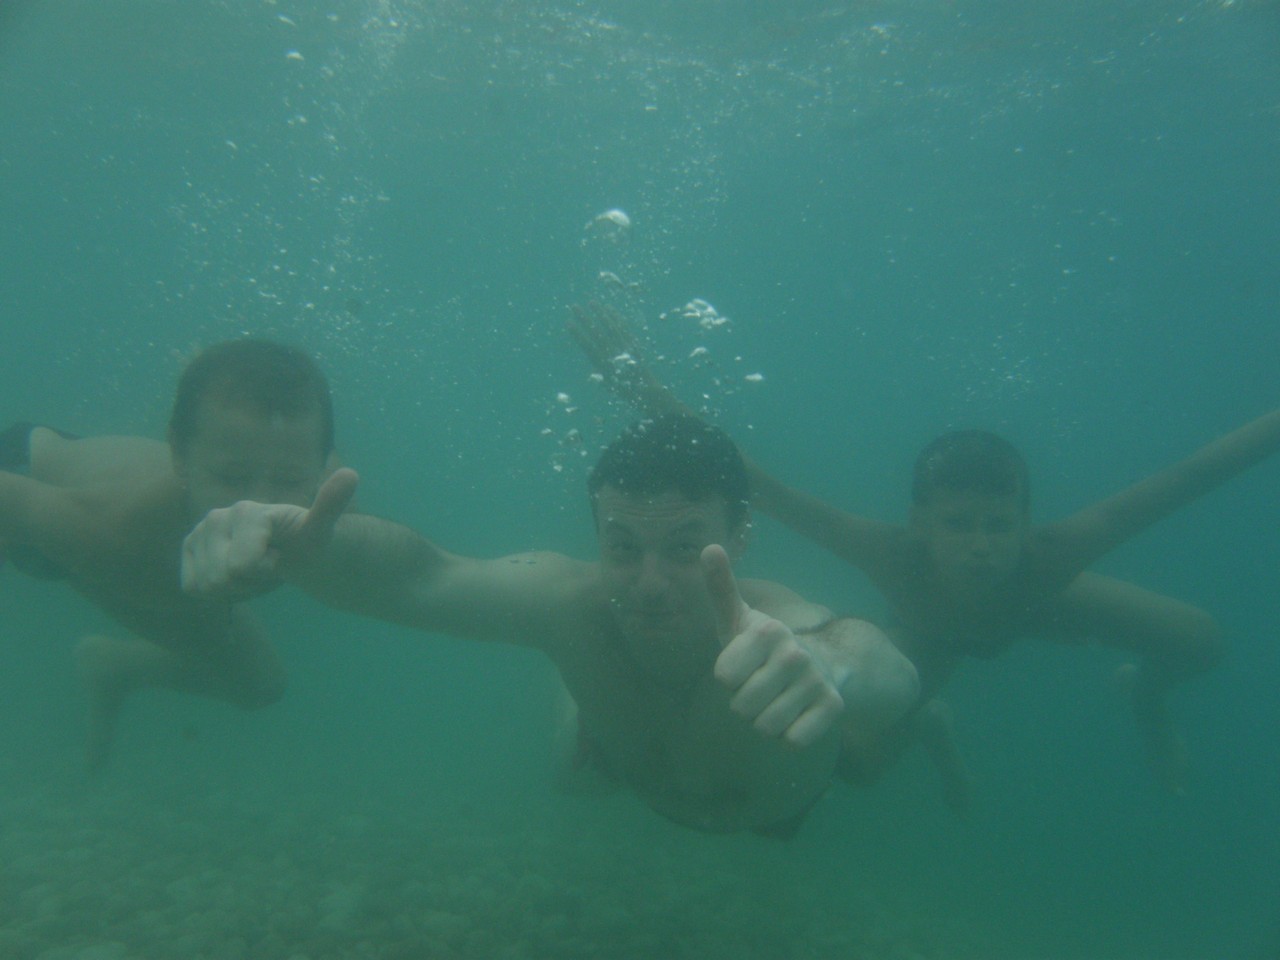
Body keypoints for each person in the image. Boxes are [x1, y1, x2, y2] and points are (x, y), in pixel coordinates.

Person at [567, 301, 1280, 803]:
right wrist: (648, 393)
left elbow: (1192, 476)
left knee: (1201, 641)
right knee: (860, 768)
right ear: (919, 524)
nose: (981, 546)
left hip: (1043, 609)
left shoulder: (1055, 554)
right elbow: (766, 487)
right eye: (959, 525)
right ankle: (933, 724)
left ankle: (1146, 698)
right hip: (928, 642)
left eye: (999, 525)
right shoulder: (889, 553)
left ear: (1026, 522)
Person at [181, 414, 920, 836]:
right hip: (628, 775)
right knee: (571, 767)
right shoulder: (568, 600)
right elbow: (421, 575)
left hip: (779, 814)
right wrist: (301, 541)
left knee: (866, 754)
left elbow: (880, 662)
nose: (650, 582)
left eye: (685, 547)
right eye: (622, 547)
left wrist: (826, 666)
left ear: (742, 537)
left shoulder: (780, 631)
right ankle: (586, 708)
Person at [0, 339, 342, 772]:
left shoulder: (327, 497)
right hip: (32, 483)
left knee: (261, 686)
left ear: (320, 469)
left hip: (138, 539)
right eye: (232, 478)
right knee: (136, 572)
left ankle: (114, 666)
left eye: (289, 479)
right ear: (179, 454)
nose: (256, 507)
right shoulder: (111, 534)